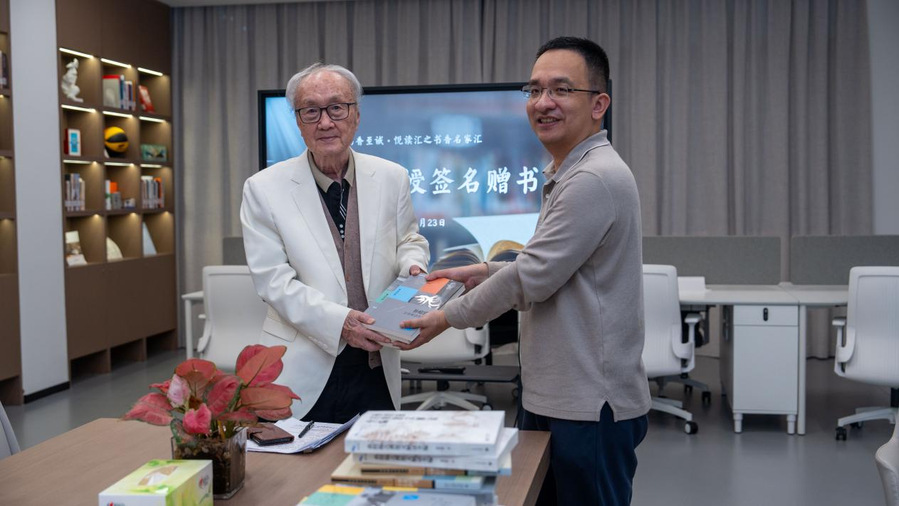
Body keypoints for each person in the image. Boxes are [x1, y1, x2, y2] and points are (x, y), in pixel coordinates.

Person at [398, 37, 650, 505]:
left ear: (599, 104)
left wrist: (445, 318)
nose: (543, 102)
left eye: (561, 90)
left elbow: (532, 277)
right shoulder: (569, 172)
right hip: (559, 395)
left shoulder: (592, 178)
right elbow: (555, 266)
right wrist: (485, 270)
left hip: (588, 404)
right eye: (534, 90)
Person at [240, 62, 429, 423]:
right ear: (298, 122)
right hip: (300, 368)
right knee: (300, 460)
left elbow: (409, 239)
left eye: (337, 108)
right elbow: (273, 282)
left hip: (377, 360)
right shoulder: (263, 189)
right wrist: (342, 323)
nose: (325, 122)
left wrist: (414, 266)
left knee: (376, 457)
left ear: (356, 115)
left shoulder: (391, 177)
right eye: (310, 111)